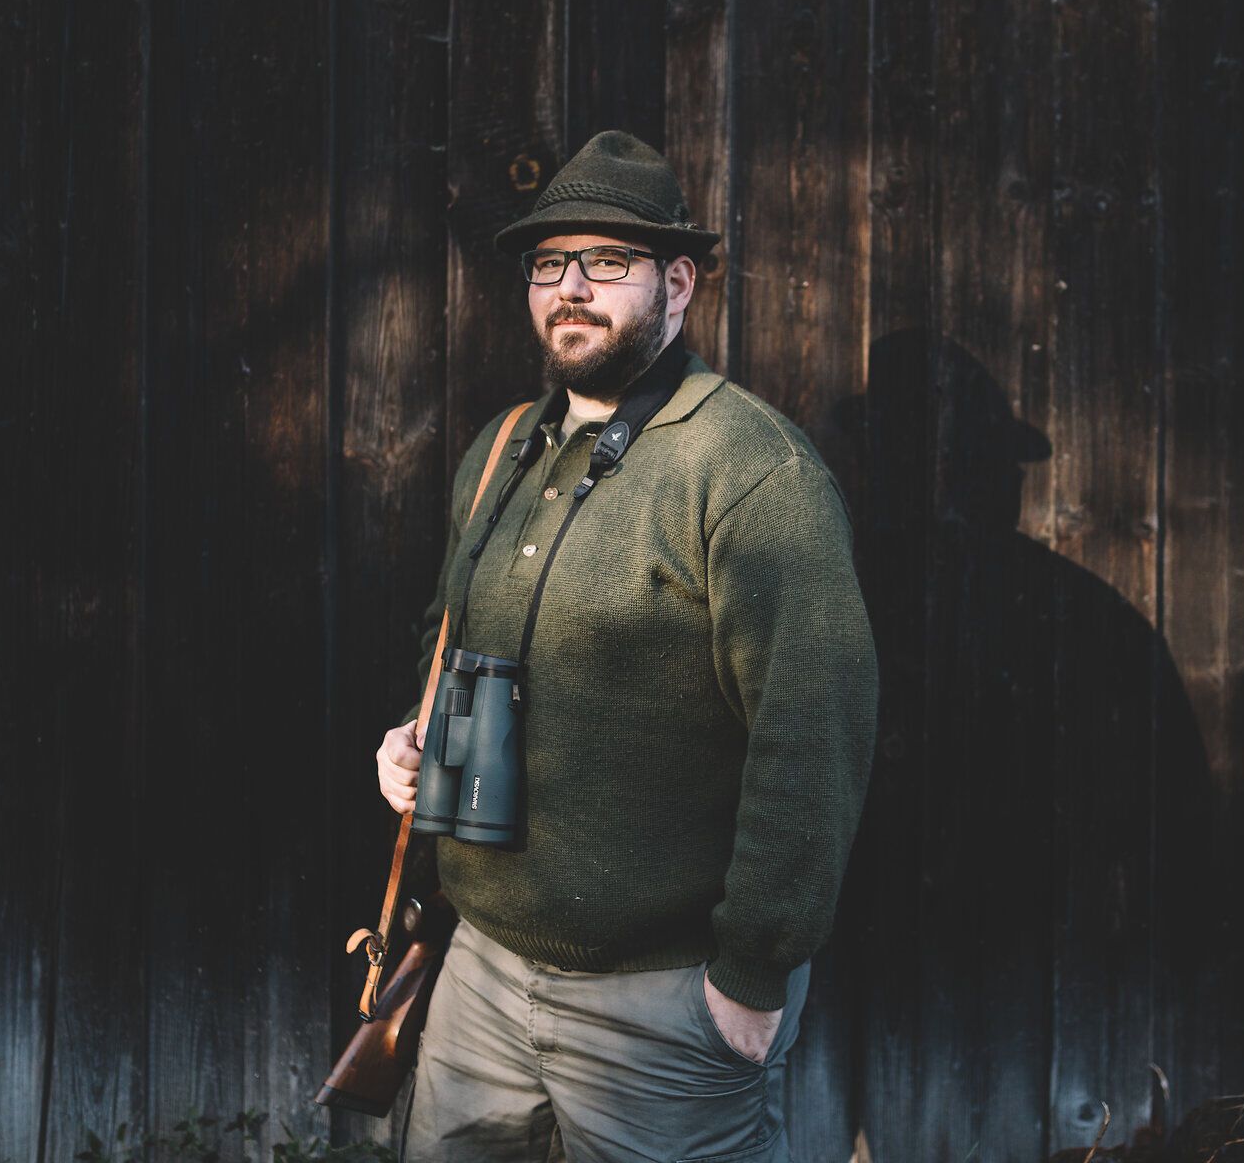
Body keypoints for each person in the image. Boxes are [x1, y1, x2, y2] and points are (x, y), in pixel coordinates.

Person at [373, 129, 878, 1162]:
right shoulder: (506, 444)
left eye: (606, 262)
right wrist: (416, 740)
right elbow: (451, 634)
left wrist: (749, 973)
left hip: (663, 1007)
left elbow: (812, 733)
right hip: (481, 976)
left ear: (677, 281)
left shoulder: (751, 472)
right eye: (550, 264)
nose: (571, 288)